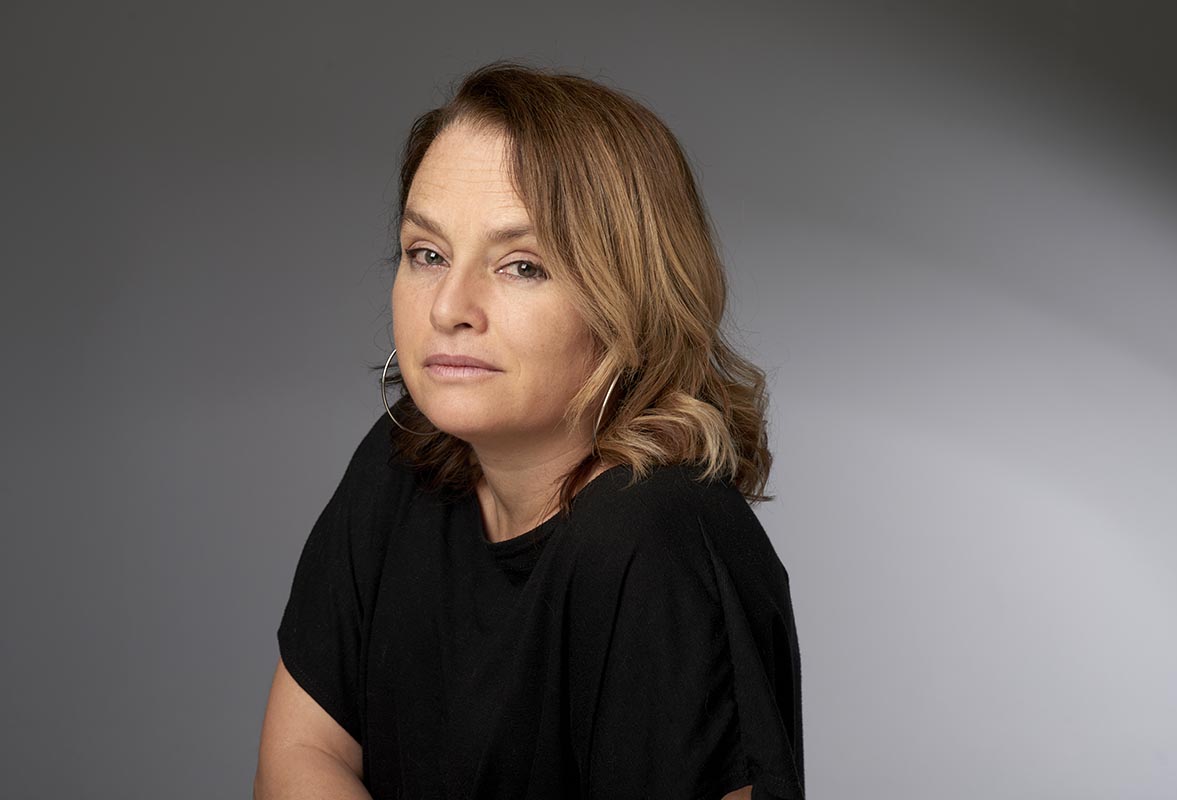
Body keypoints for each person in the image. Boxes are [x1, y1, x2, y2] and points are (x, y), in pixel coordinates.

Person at [254, 60, 806, 800]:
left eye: (521, 266)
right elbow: (298, 755)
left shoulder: (659, 540)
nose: (449, 306)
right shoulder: (397, 465)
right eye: (427, 254)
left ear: (628, 301)